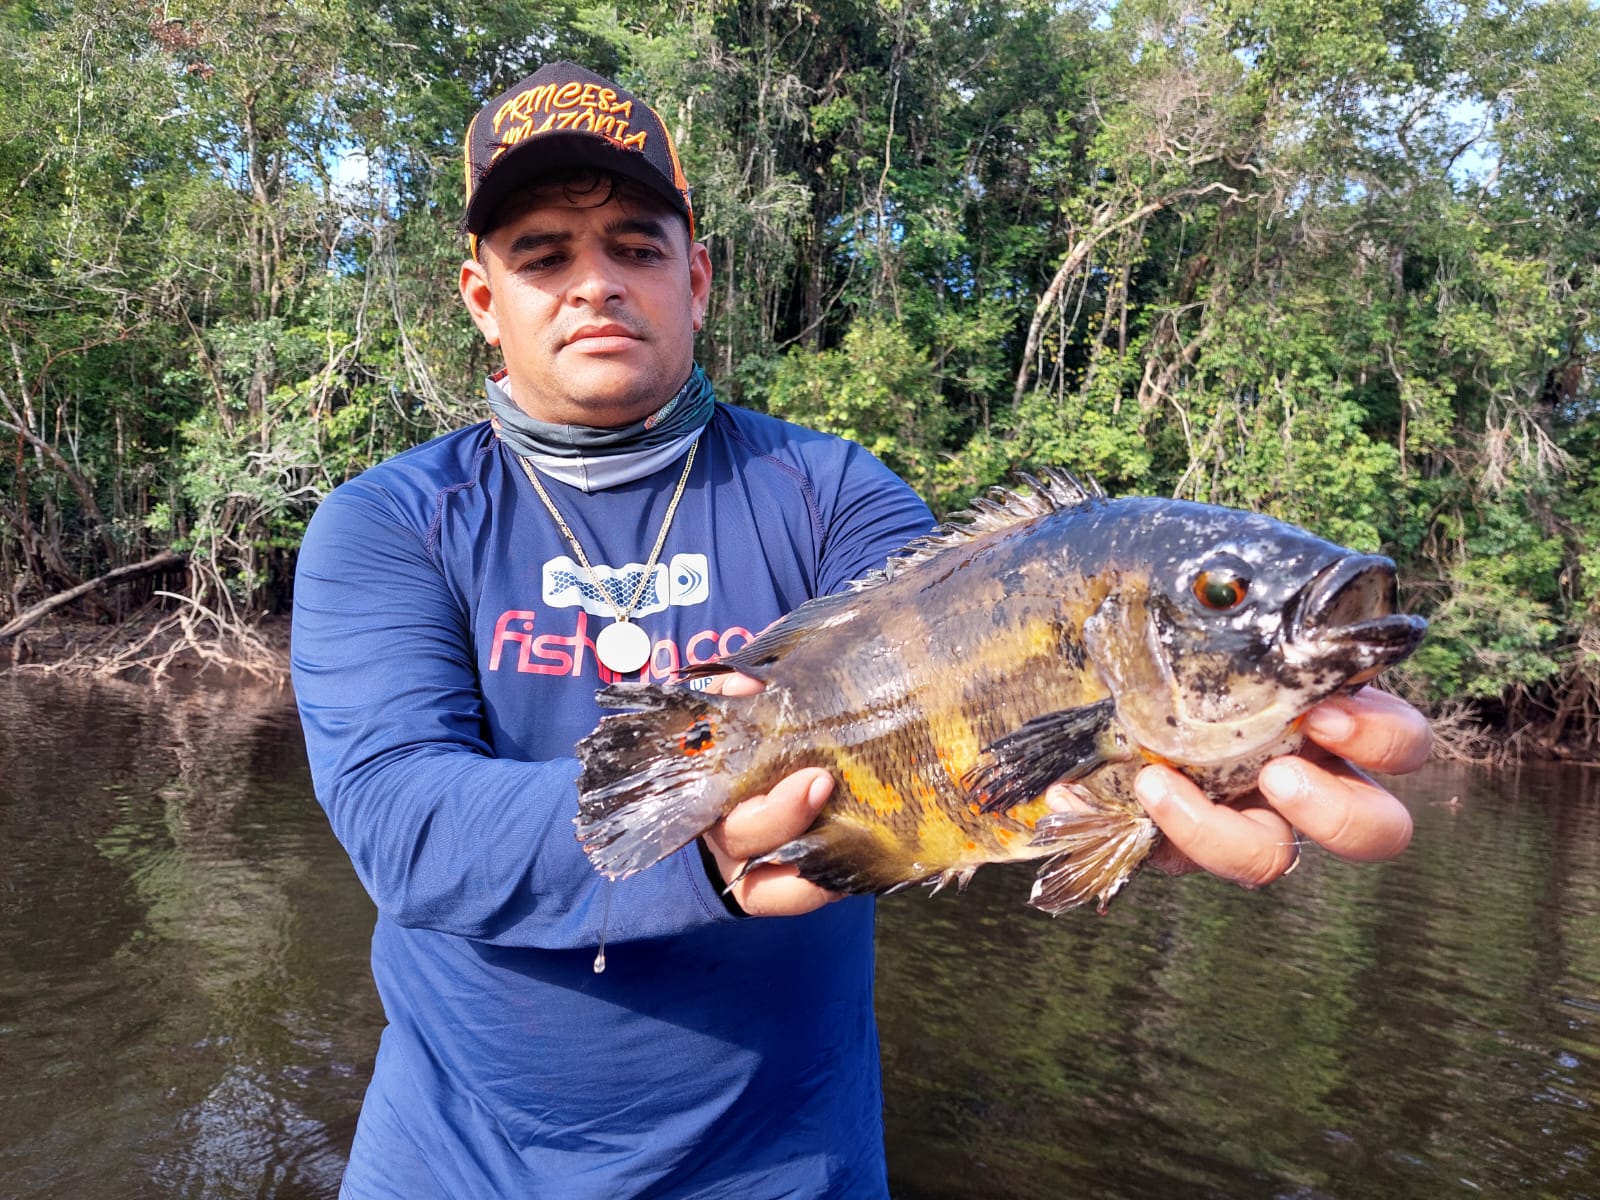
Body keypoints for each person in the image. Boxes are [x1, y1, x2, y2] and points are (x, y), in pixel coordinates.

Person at [291, 60, 1433, 1200]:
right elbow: (398, 820)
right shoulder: (390, 521)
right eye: (543, 255)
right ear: (482, 298)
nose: (593, 284)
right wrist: (699, 835)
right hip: (454, 1161)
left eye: (635, 247)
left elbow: (969, 726)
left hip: (784, 1163)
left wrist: (1210, 763)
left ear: (696, 279)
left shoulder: (830, 492)